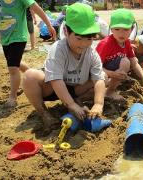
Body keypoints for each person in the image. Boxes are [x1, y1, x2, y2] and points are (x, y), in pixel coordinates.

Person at [22, 3, 106, 135]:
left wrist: (98, 104)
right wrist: (71, 104)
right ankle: (44, 114)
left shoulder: (92, 53)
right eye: (79, 38)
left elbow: (99, 80)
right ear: (66, 31)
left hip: (75, 88)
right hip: (52, 88)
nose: (84, 44)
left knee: (103, 76)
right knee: (29, 76)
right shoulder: (58, 49)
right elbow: (56, 80)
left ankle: (77, 101)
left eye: (89, 38)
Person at [0, 0, 56, 108]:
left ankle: (13, 97)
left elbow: (37, 9)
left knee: (13, 68)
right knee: (15, 63)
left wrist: (49, 25)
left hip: (18, 37)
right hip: (5, 39)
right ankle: (35, 76)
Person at [96, 8, 143, 100]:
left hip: (113, 72)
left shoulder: (127, 43)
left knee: (126, 62)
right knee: (103, 77)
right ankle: (99, 93)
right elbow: (95, 67)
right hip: (99, 72)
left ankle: (110, 91)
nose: (121, 33)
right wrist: (112, 74)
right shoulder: (105, 44)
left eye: (126, 29)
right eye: (117, 29)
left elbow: (134, 63)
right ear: (111, 29)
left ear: (132, 29)